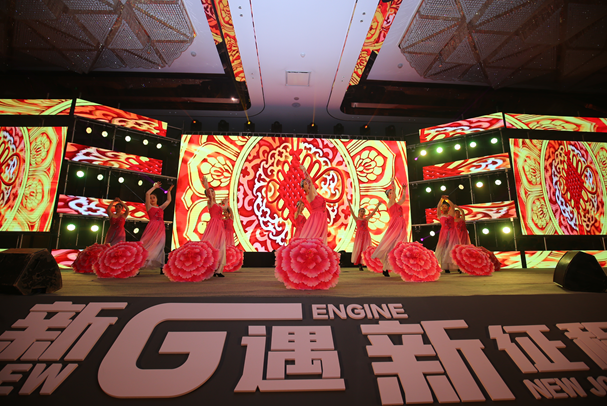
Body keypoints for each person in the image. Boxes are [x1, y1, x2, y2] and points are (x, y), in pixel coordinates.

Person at [372, 180, 408, 277]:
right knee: (391, 244)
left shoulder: (397, 204)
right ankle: (385, 268)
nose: (393, 194)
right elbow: (394, 193)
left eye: (392, 192)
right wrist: (393, 185)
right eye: (391, 193)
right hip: (395, 224)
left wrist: (404, 190)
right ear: (388, 196)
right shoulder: (390, 203)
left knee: (399, 244)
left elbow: (403, 199)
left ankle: (398, 266)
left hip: (401, 224)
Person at [140, 182, 173, 270]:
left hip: (161, 228)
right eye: (151, 198)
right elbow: (147, 194)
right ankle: (139, 263)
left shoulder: (161, 208)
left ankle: (161, 266)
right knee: (147, 244)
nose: (152, 199)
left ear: (157, 199)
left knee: (160, 245)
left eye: (154, 197)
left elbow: (168, 201)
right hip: (152, 227)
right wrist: (154, 187)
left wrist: (169, 191)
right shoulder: (149, 207)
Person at [201, 176, 227, 277]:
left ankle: (218, 270)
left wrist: (226, 202)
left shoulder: (217, 204)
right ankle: (208, 267)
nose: (212, 193)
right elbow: (209, 194)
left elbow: (225, 208)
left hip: (220, 226)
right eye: (210, 192)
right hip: (214, 225)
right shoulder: (210, 202)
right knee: (212, 244)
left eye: (213, 191)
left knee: (221, 246)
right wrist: (206, 184)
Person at [297, 165, 328, 244]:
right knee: (313, 239)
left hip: (322, 217)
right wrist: (304, 171)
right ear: (303, 188)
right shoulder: (309, 195)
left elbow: (310, 183)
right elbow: (310, 182)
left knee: (319, 240)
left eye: (306, 183)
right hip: (317, 217)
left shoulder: (315, 194)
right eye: (305, 184)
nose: (307, 184)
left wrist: (305, 171)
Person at [348, 201, 381, 271]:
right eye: (361, 211)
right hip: (359, 235)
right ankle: (359, 264)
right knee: (359, 248)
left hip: (366, 235)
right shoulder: (356, 218)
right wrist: (349, 203)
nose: (362, 212)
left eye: (363, 211)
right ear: (359, 212)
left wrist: (377, 206)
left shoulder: (366, 219)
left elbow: (373, 213)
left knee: (365, 249)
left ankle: (364, 263)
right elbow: (351, 211)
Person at [435, 195, 460, 273]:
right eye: (443, 206)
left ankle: (458, 266)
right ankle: (446, 267)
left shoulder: (451, 214)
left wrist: (447, 200)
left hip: (452, 232)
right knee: (444, 248)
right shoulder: (440, 215)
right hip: (444, 233)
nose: (444, 207)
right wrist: (441, 199)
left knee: (453, 248)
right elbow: (438, 207)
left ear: (448, 208)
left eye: (445, 206)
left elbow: (452, 206)